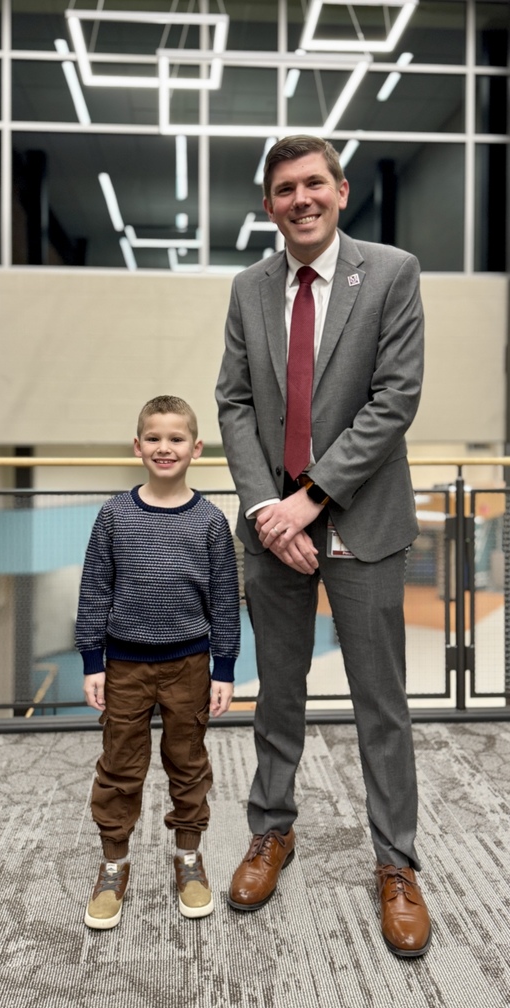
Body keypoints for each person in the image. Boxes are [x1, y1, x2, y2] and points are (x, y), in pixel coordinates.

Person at [215, 136, 431, 957]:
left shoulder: (391, 273)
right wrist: (269, 506)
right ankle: (272, 831)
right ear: (267, 204)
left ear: (340, 191)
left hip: (363, 522)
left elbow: (393, 401)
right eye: (283, 189)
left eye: (313, 184)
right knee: (278, 694)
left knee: (382, 706)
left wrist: (310, 501)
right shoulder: (248, 289)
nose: (299, 199)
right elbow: (234, 404)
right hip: (274, 525)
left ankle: (396, 863)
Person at [76, 395, 240, 930]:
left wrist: (225, 667)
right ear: (137, 445)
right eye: (153, 438)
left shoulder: (212, 522)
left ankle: (188, 859)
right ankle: (113, 864)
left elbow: (223, 601)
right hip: (123, 666)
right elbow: (95, 590)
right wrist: (91, 660)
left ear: (195, 448)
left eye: (175, 439)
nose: (163, 448)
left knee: (188, 765)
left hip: (189, 665)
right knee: (121, 766)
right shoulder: (114, 516)